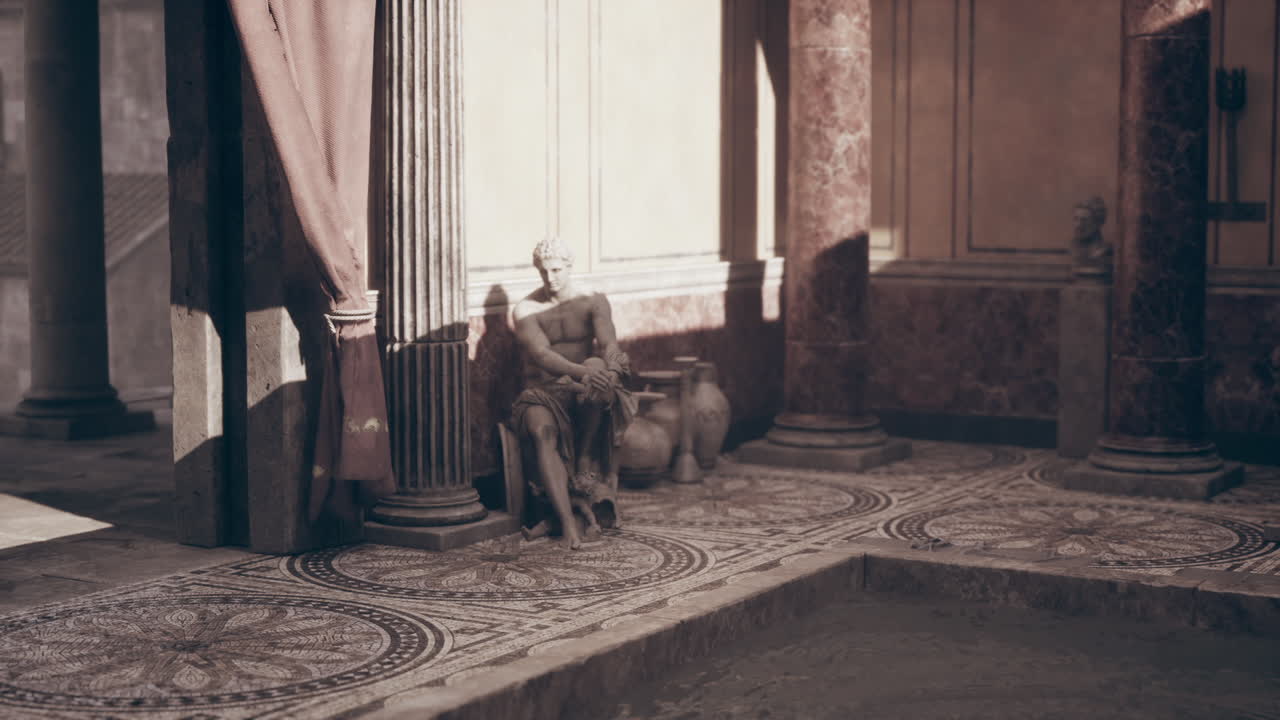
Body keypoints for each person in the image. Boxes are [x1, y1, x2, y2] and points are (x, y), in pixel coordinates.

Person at [511, 237, 636, 549]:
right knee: (542, 430)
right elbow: (543, 356)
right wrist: (585, 373)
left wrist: (609, 372)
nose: (549, 277)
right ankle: (567, 521)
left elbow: (609, 343)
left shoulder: (593, 300)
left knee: (597, 365)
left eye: (555, 270)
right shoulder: (526, 309)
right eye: (543, 271)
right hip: (544, 393)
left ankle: (583, 461)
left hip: (583, 390)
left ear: (569, 266)